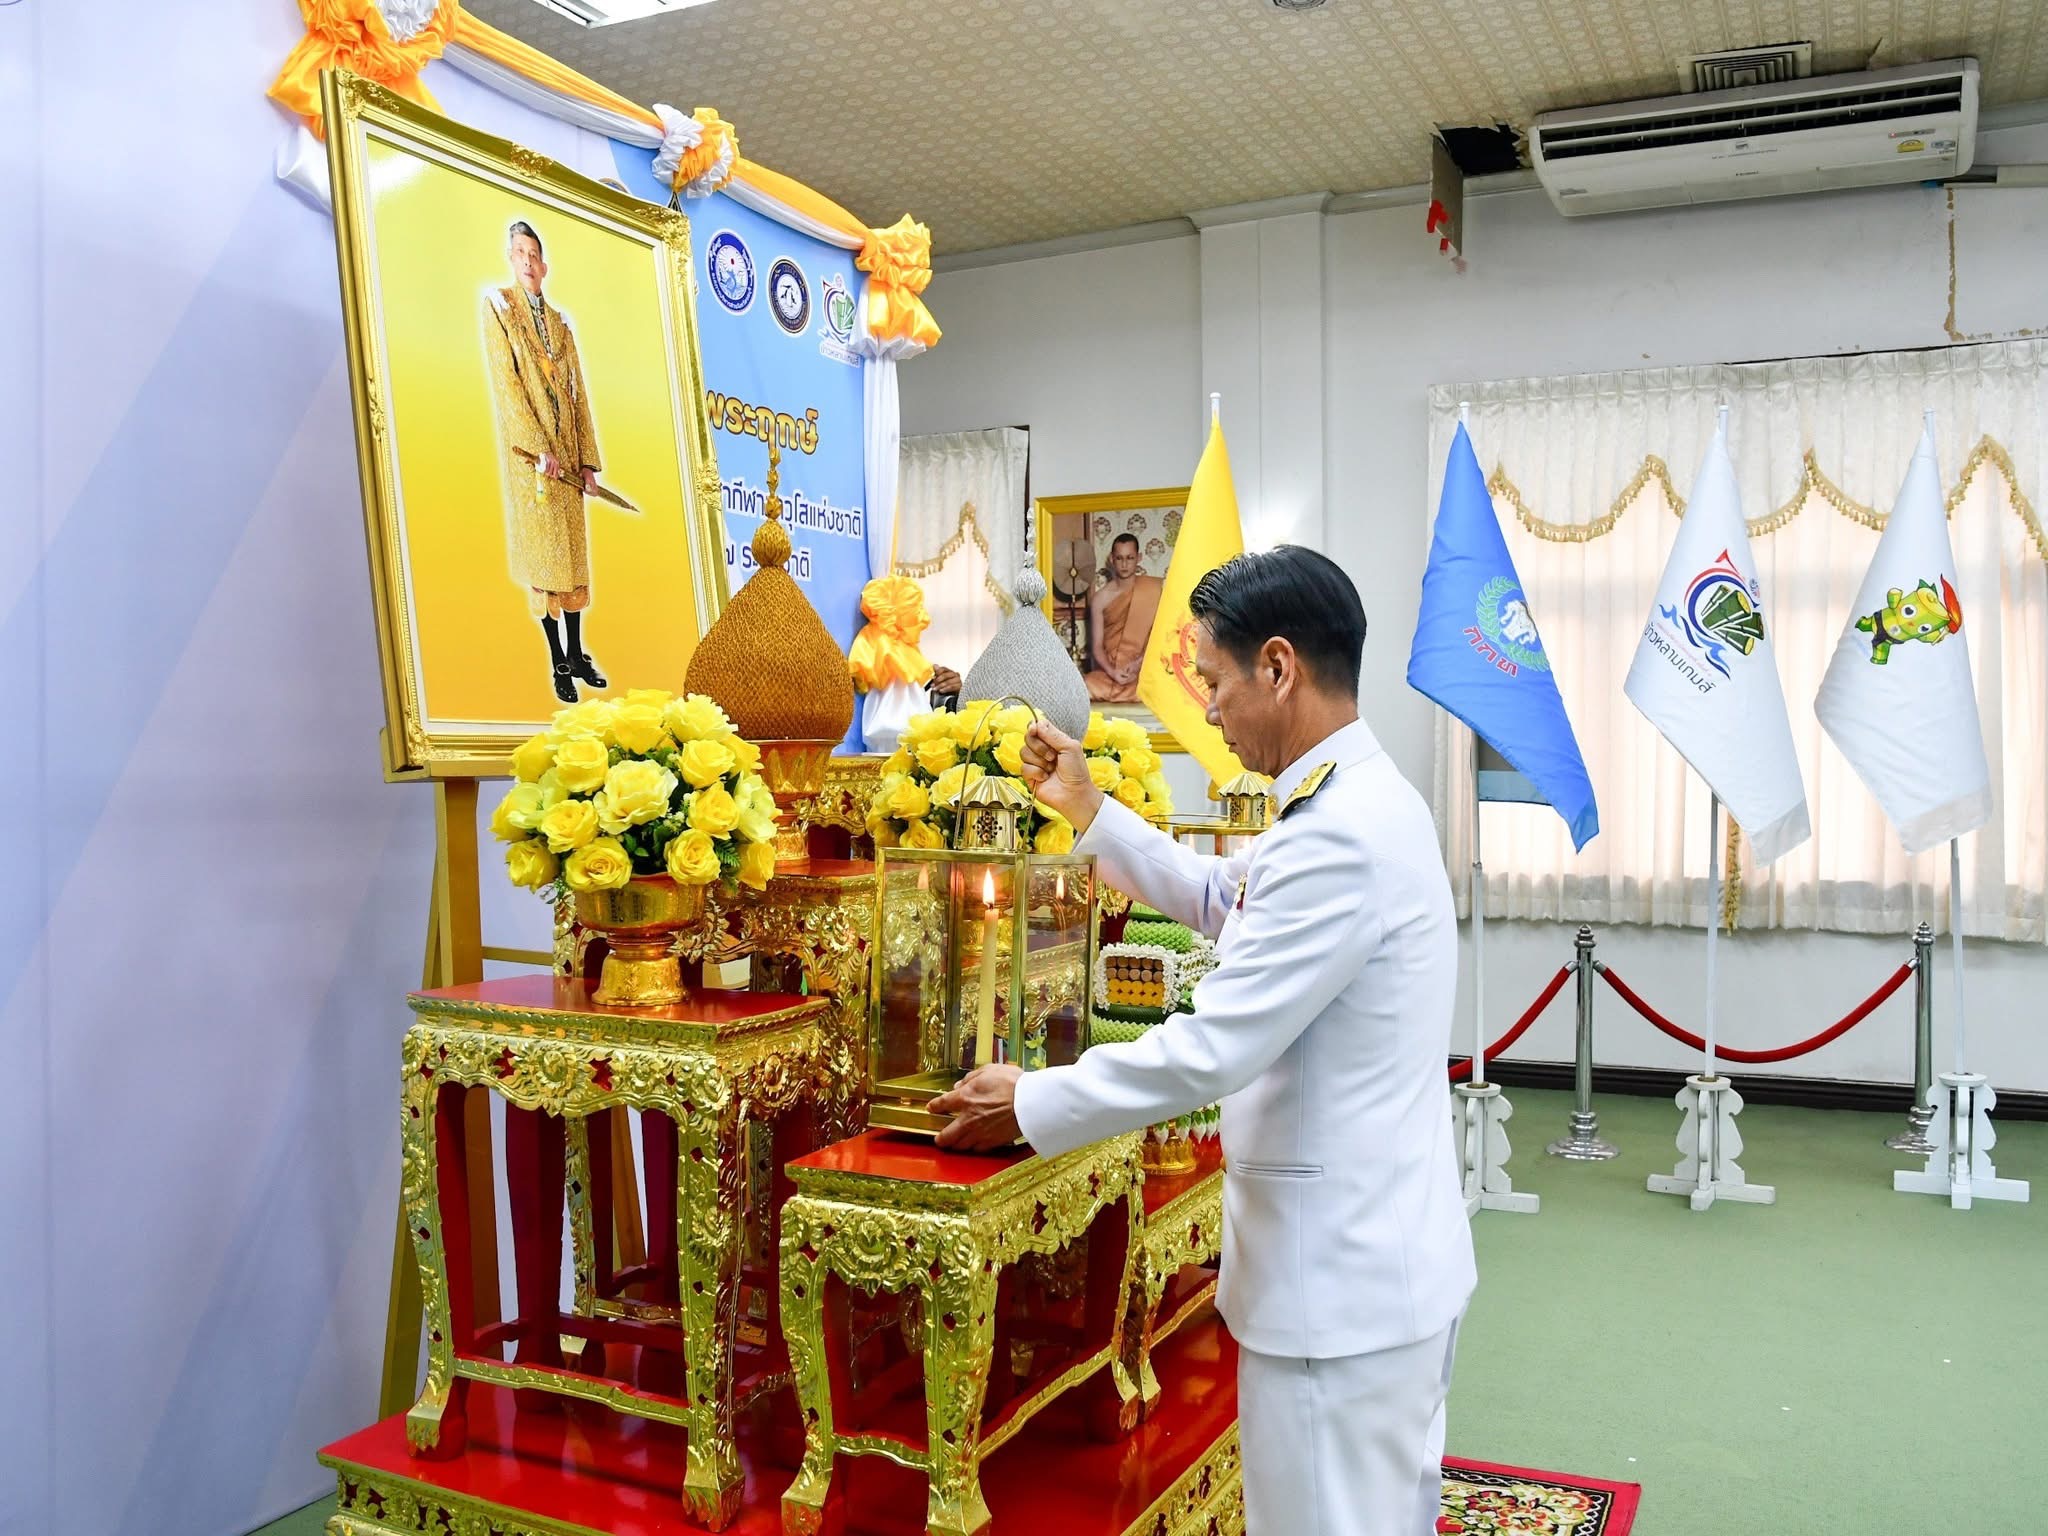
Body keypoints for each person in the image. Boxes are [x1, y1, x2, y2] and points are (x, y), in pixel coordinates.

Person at [931, 546, 1475, 1536]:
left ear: (1277, 667)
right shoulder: (1354, 803)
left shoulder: (1339, 835)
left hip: (1338, 1290)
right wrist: (1092, 810)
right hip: (1380, 1266)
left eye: (1216, 682)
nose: (1211, 711)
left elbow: (1215, 1048)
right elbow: (1231, 900)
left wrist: (1030, 1101)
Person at [483, 219, 612, 704]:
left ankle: (578, 652)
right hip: (532, 463)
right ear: (511, 260)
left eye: (535, 254)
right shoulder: (499, 308)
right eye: (520, 253)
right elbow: (508, 386)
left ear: (545, 263)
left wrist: (586, 462)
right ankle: (557, 658)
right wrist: (539, 447)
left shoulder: (560, 322)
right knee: (545, 563)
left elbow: (578, 393)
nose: (529, 262)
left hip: (568, 462)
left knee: (574, 561)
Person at [1083, 533, 1163, 701]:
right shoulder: (1100, 599)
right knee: (1085, 684)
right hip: (1110, 673)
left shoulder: (1153, 590)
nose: (1125, 564)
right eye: (1119, 558)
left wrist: (1138, 665)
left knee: (1162, 685)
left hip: (1143, 670)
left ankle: (1131, 691)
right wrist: (1113, 672)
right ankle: (1131, 693)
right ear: (1112, 559)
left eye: (1130, 558)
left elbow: (1160, 638)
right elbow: (1097, 647)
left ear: (1139, 558)